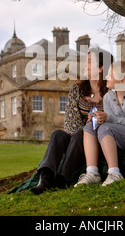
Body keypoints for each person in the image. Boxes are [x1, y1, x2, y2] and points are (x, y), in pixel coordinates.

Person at [30, 48, 114, 194]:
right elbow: (70, 123)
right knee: (58, 134)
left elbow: (118, 117)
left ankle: (62, 177)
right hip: (76, 142)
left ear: (101, 68)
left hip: (101, 141)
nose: (84, 65)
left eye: (89, 62)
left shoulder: (112, 91)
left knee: (83, 131)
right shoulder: (77, 90)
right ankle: (45, 178)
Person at [74, 61, 125, 187]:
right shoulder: (108, 96)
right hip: (119, 135)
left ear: (121, 80)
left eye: (110, 75)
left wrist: (106, 118)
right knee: (90, 126)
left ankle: (114, 173)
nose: (106, 78)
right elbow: (109, 121)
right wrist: (98, 118)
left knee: (106, 128)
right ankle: (92, 173)